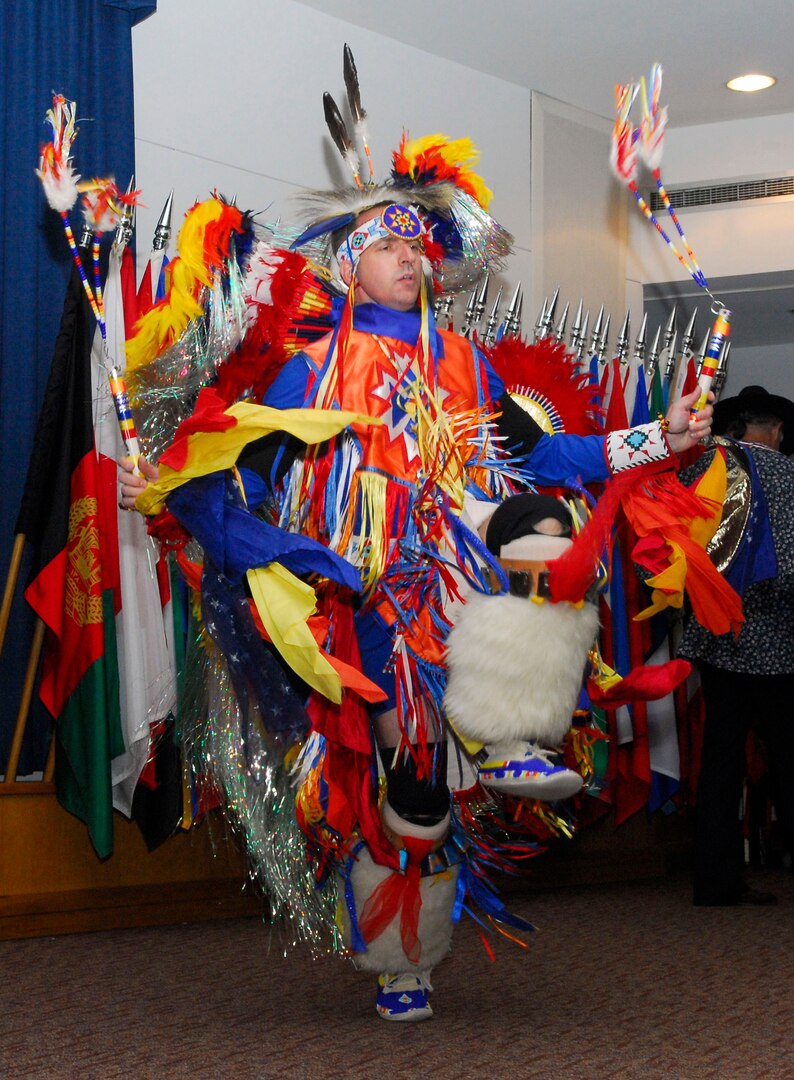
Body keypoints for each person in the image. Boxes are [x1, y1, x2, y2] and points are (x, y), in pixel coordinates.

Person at [120, 131, 713, 1020]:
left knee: (545, 524)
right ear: (353, 267)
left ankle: (511, 730)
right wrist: (171, 489)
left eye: (416, 247)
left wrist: (656, 439)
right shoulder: (309, 366)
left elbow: (547, 453)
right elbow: (223, 468)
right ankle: (405, 953)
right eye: (387, 248)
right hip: (366, 591)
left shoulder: (467, 363)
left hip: (461, 572)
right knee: (415, 779)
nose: (409, 260)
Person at [678, 384, 794, 906]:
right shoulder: (787, 475)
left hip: (717, 636)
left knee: (720, 760)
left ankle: (715, 878)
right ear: (774, 430)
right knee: (789, 758)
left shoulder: (702, 468)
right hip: (776, 641)